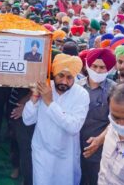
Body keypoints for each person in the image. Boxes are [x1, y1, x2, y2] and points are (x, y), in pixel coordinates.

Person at [23, 53, 89, 185]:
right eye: (61, 75)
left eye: (69, 77)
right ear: (54, 73)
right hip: (42, 152)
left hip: (67, 156)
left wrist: (50, 103)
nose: (64, 81)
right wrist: (35, 97)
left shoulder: (81, 94)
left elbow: (73, 127)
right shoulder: (45, 88)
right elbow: (27, 120)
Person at [80, 49, 116, 185]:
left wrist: (99, 140)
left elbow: (116, 120)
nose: (97, 70)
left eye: (102, 67)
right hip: (73, 145)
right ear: (87, 65)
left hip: (99, 148)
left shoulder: (115, 90)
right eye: (94, 66)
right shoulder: (77, 86)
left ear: (109, 69)